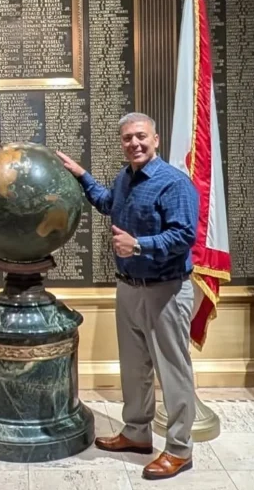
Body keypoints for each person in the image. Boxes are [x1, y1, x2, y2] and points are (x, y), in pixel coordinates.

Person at [56, 112, 199, 481]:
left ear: (155, 139)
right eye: (127, 138)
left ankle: (180, 450)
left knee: (173, 372)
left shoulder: (174, 183)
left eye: (140, 136)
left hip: (166, 291)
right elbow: (109, 203)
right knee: (134, 369)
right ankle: (136, 433)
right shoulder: (125, 177)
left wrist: (138, 245)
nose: (134, 143)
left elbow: (185, 235)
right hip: (130, 288)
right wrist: (82, 176)